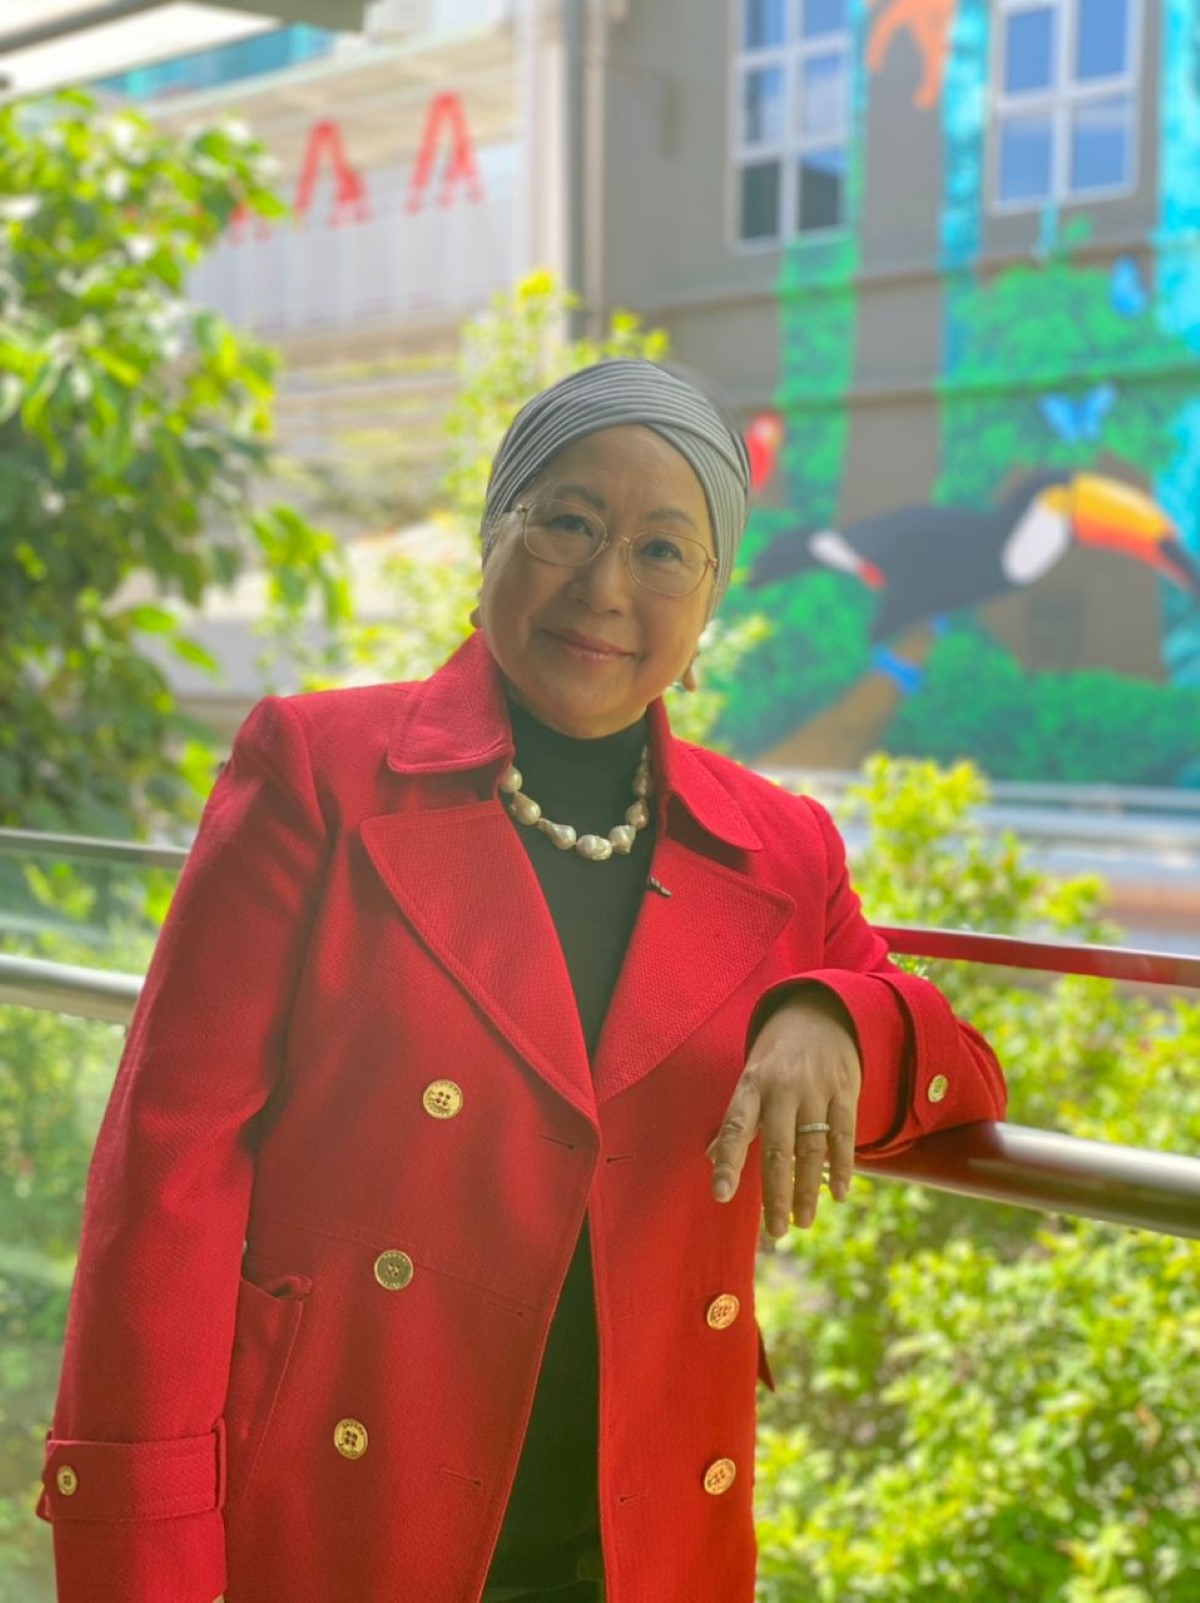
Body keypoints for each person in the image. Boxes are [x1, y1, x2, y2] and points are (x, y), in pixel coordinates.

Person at [38, 359, 1006, 1603]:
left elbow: (960, 1067)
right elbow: (164, 1185)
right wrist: (142, 1560)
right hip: (340, 1505)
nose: (606, 586)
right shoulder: (319, 773)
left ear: (709, 601)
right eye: (568, 523)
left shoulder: (779, 845)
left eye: (665, 549)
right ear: (496, 532)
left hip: (634, 1535)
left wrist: (839, 1014)